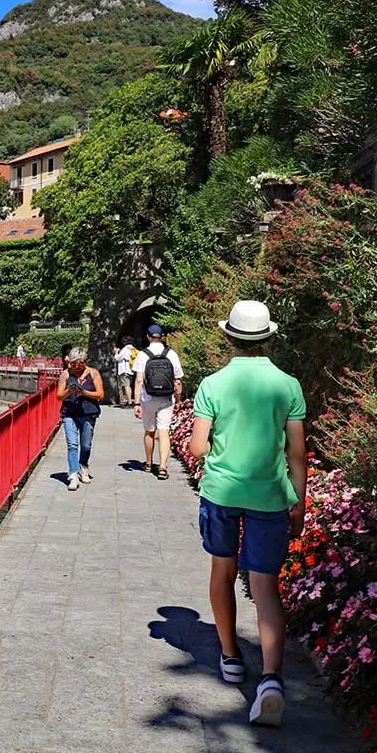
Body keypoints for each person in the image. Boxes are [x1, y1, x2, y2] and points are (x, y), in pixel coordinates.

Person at [188, 301, 306, 727]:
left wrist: (218, 444)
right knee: (265, 586)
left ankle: (231, 656)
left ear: (229, 337)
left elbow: (198, 447)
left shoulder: (214, 384)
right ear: (268, 337)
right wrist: (300, 502)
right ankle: (271, 679)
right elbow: (297, 452)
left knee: (223, 570)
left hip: (222, 492)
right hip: (272, 496)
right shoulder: (287, 385)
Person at [132, 324, 183, 479]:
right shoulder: (171, 354)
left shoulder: (143, 355)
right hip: (166, 398)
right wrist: (179, 399)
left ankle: (148, 463)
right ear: (162, 337)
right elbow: (178, 381)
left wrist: (136, 403)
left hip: (148, 398)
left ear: (148, 336)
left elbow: (139, 380)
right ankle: (162, 467)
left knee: (149, 431)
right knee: (164, 431)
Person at [55, 348, 104, 491]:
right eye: (74, 363)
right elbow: (59, 396)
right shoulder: (65, 374)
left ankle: (84, 466)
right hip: (69, 413)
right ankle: (73, 474)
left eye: (80, 363)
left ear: (85, 362)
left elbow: (100, 394)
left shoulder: (93, 373)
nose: (76, 366)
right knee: (72, 445)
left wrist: (84, 392)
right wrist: (69, 391)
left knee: (86, 444)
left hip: (88, 413)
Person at [113, 338, 138, 407]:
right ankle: (130, 400)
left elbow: (117, 358)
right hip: (131, 370)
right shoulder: (133, 349)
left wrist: (116, 352)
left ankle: (129, 402)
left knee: (126, 386)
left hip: (124, 370)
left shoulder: (125, 349)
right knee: (129, 385)